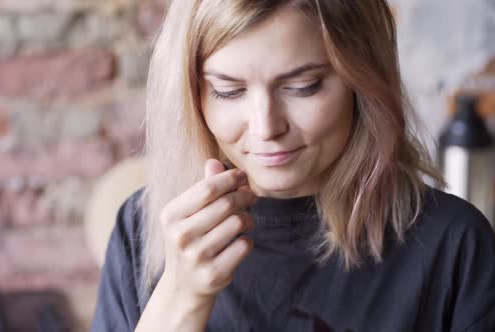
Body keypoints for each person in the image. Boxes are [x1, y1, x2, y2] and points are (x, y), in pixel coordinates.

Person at [91, 0, 495, 331]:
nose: (266, 127)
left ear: (363, 82)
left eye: (303, 87)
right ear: (194, 94)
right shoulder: (142, 231)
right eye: (228, 91)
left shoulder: (454, 245)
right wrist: (181, 297)